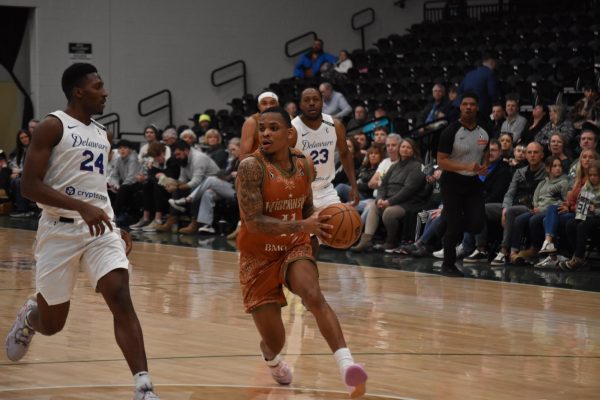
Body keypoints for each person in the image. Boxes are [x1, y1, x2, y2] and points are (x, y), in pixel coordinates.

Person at [4, 63, 159, 399]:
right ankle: (30, 318)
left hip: (99, 228)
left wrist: (114, 225)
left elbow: (94, 188)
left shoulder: (103, 134)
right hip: (58, 232)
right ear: (78, 91)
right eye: (98, 86)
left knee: (119, 294)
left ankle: (143, 387)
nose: (105, 93)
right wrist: (79, 207)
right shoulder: (52, 126)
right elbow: (29, 186)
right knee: (54, 323)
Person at [235, 106, 368, 397]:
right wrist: (303, 224)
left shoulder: (304, 162)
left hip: (293, 246)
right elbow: (253, 222)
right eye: (262, 128)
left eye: (273, 128)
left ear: (290, 134)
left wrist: (319, 226)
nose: (266, 133)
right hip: (257, 258)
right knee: (276, 340)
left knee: (313, 294)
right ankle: (271, 360)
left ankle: (347, 366)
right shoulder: (250, 167)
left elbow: (307, 207)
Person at [293, 88, 359, 255]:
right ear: (300, 104)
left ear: (323, 102)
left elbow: (345, 154)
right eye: (306, 100)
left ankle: (309, 276)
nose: (311, 103)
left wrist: (354, 186)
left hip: (326, 189)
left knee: (336, 230)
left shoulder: (335, 124)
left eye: (315, 99)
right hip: (300, 193)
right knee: (304, 241)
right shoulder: (293, 129)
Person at [437, 92, 490, 275]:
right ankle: (448, 264)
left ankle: (449, 222)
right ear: (460, 107)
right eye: (465, 104)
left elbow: (485, 153)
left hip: (472, 182)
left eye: (472, 104)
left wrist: (484, 167)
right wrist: (466, 165)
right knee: (454, 225)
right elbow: (442, 161)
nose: (468, 107)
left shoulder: (484, 132)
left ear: (477, 107)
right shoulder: (450, 131)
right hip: (451, 182)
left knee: (477, 223)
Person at [351, 138, 428, 252]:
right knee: (373, 206)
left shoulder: (418, 166)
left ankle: (390, 241)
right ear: (399, 149)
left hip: (407, 203)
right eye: (403, 147)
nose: (405, 149)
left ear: (413, 150)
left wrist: (389, 202)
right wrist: (380, 199)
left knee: (389, 212)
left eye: (408, 147)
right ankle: (366, 241)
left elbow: (408, 190)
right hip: (388, 200)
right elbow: (383, 185)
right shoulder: (394, 166)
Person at [560, 160, 600, 270]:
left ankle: (579, 258)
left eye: (595, 175)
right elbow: (581, 201)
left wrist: (595, 209)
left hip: (597, 216)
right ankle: (576, 254)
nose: (592, 178)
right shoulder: (587, 186)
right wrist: (580, 206)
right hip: (587, 215)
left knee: (583, 226)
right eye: (590, 175)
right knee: (570, 224)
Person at [240, 91, 296, 158]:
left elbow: (291, 147)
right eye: (264, 103)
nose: (268, 106)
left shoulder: (286, 120)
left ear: (278, 105)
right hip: (257, 164)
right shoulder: (251, 122)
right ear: (258, 106)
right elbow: (243, 156)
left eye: (272, 103)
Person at [457, 54, 499, 118]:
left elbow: (460, 90)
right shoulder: (490, 73)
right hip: (482, 109)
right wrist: (496, 104)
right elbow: (492, 93)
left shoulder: (469, 74)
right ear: (491, 62)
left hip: (466, 108)